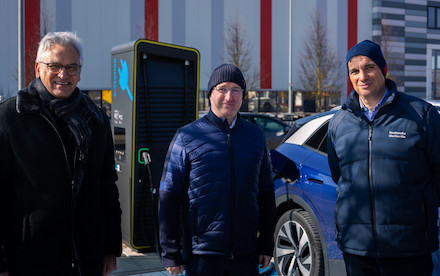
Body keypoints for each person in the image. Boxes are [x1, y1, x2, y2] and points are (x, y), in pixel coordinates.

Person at [0, 32, 122, 275]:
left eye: (72, 67)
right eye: (54, 65)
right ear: (38, 68)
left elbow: (107, 188)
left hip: (87, 257)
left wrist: (110, 248)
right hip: (30, 259)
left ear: (80, 71)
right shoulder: (11, 118)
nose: (63, 75)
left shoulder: (96, 121)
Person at [327, 40, 440, 276]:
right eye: (354, 71)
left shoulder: (421, 115)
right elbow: (339, 176)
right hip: (357, 250)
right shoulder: (339, 123)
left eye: (369, 67)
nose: (362, 76)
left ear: (383, 69)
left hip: (409, 249)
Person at [158, 64, 276, 276]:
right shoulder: (187, 137)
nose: (229, 96)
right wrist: (170, 252)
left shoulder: (256, 137)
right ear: (210, 94)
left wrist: (267, 243)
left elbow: (266, 193)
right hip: (202, 255)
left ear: (243, 96)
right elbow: (169, 196)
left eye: (236, 90)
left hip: (246, 254)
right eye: (222, 89)